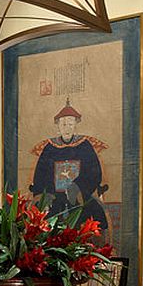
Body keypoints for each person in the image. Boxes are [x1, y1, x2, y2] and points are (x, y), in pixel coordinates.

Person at [30, 99, 109, 237]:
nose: (67, 128)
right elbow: (41, 176)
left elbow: (94, 172)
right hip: (53, 197)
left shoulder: (85, 146)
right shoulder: (49, 148)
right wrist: (47, 194)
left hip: (79, 195)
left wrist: (77, 187)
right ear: (58, 126)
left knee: (93, 213)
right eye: (63, 124)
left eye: (70, 124)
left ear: (75, 126)